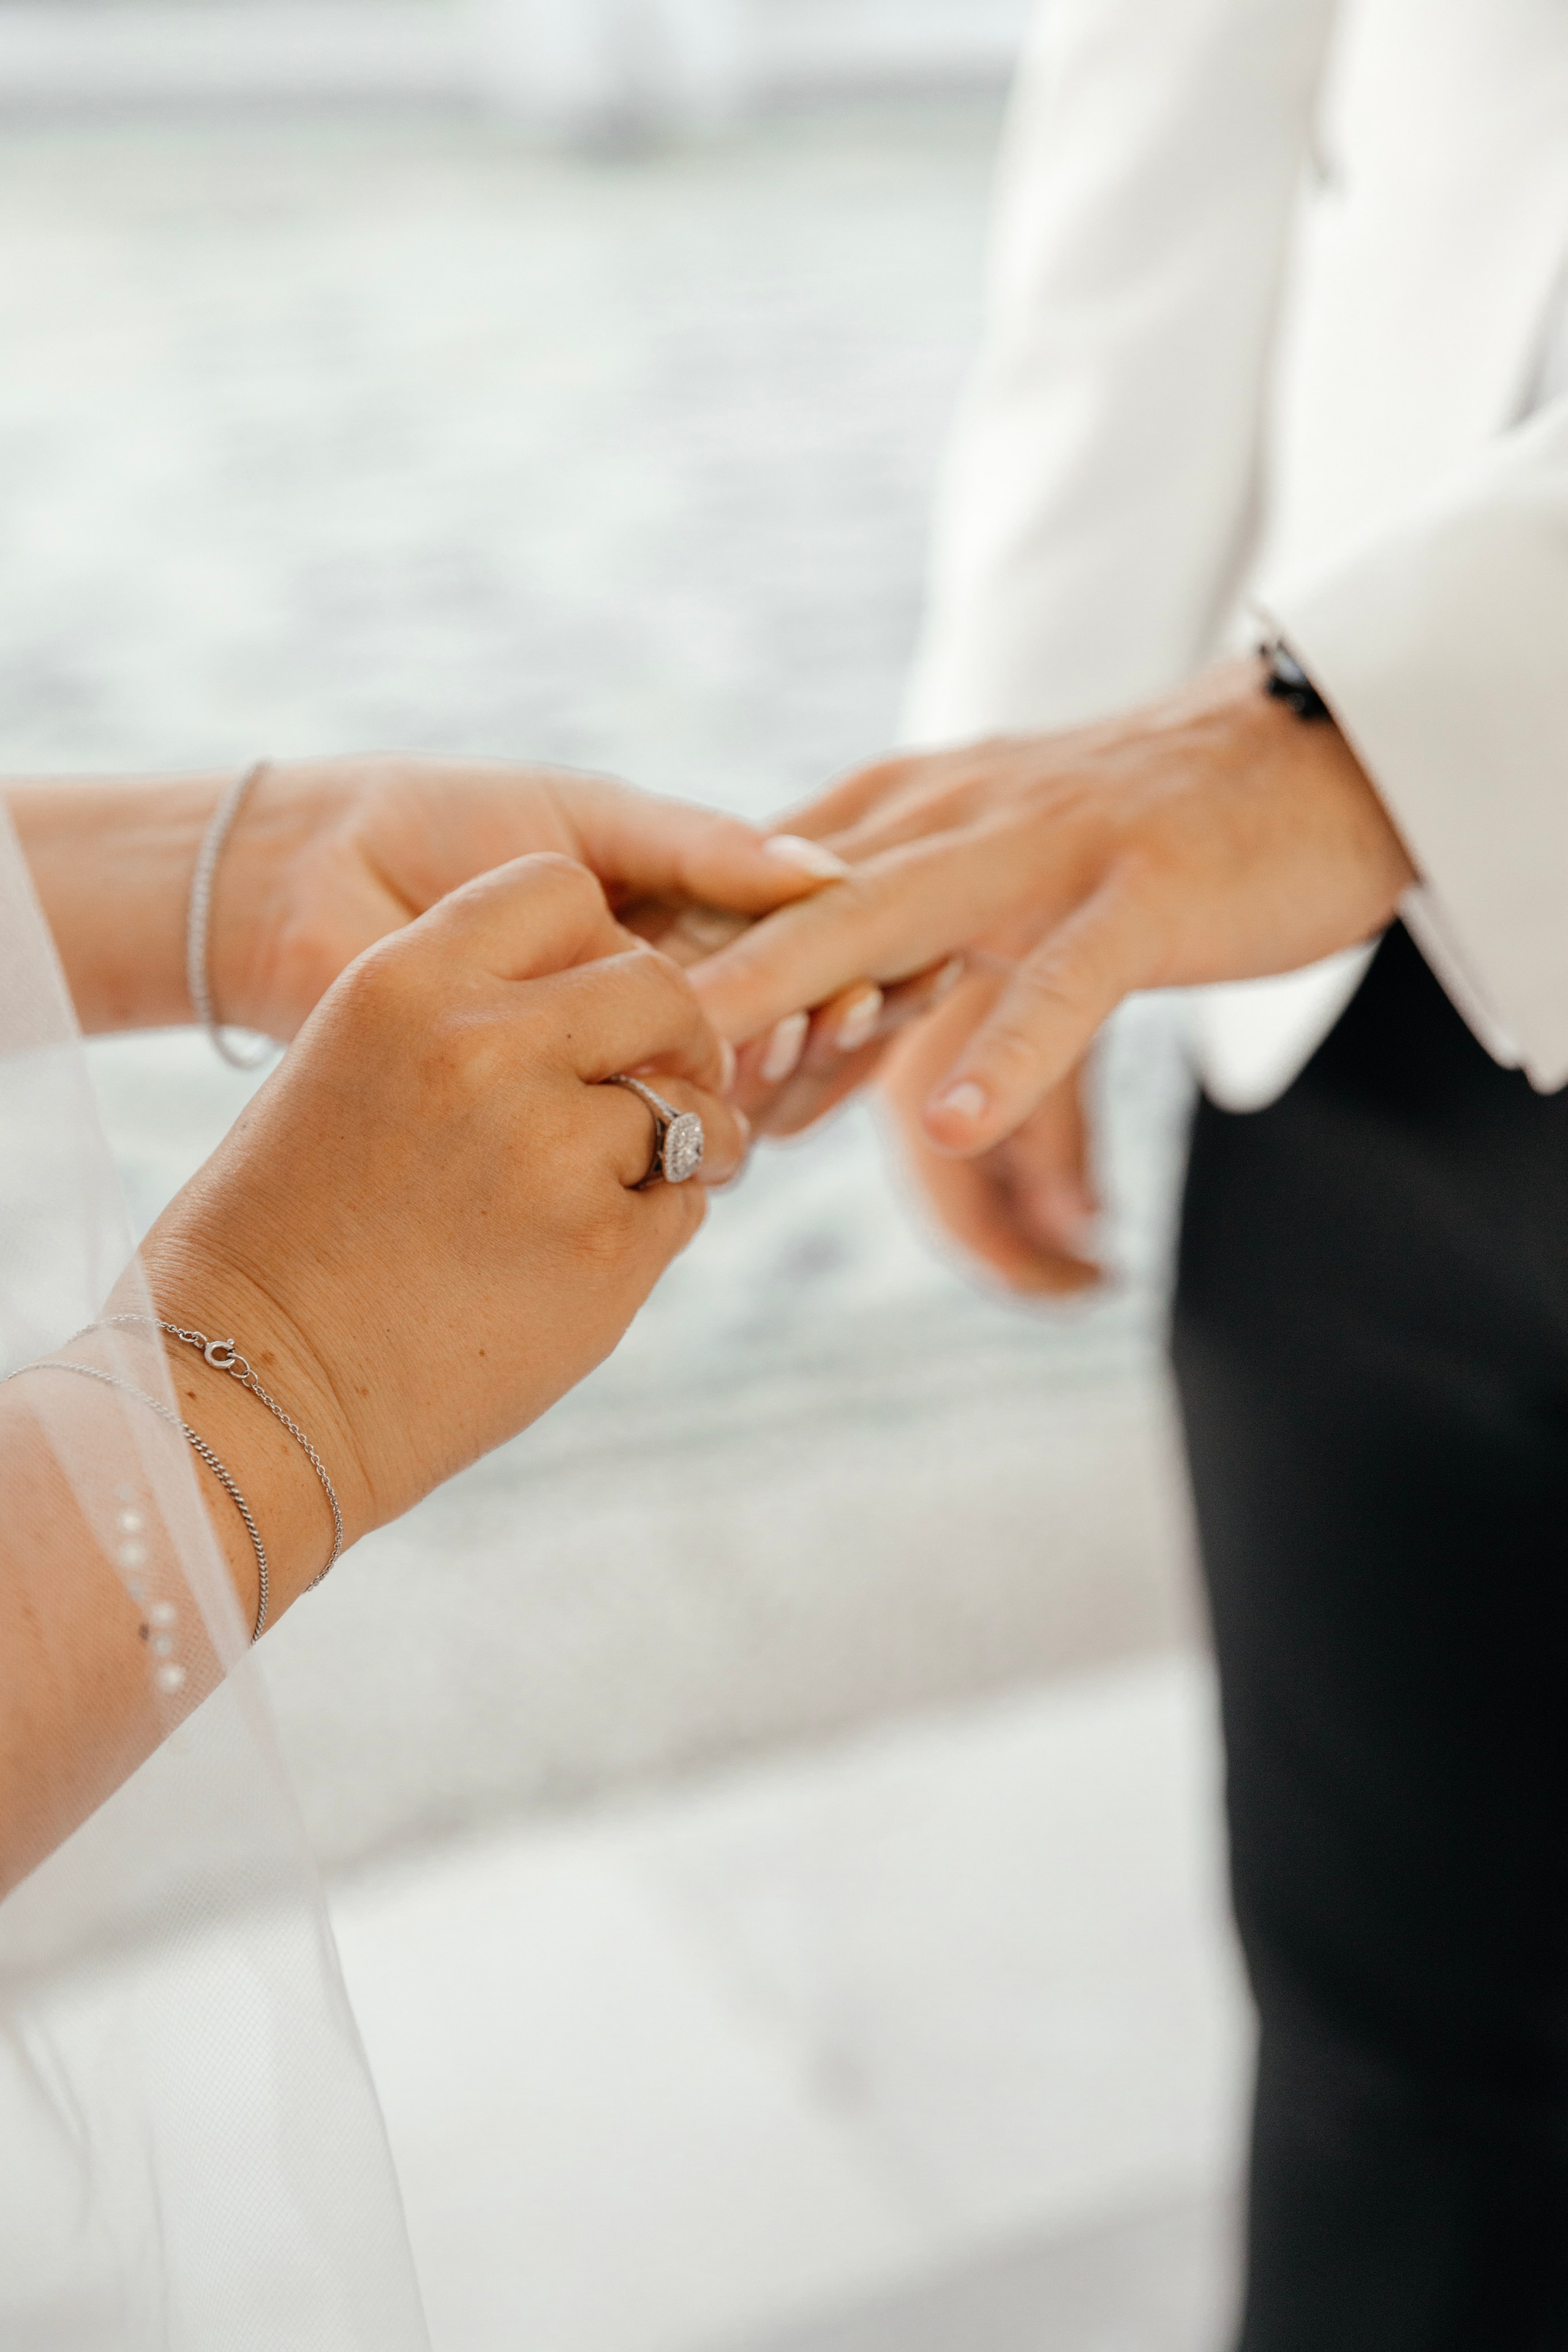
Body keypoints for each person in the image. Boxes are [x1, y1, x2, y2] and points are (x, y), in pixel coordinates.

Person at [693, 2, 1568, 2340]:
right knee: (1390, 2057)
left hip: (1365, 749)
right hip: (1356, 978)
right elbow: (1173, 90)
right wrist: (1031, 783)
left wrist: (1396, 723)